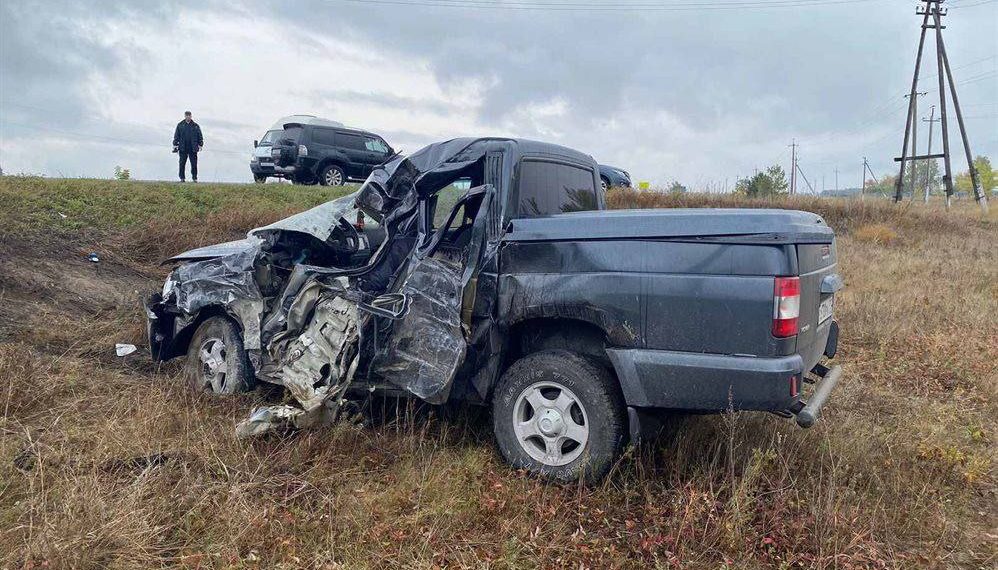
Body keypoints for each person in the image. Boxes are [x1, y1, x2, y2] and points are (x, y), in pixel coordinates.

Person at [173, 111, 203, 182]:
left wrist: (200, 144)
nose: (188, 117)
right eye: (186, 115)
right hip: (183, 147)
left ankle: (194, 178)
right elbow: (176, 136)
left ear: (191, 116)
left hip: (193, 148)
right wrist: (175, 145)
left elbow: (200, 136)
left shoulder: (195, 126)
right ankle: (182, 178)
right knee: (182, 163)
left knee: (194, 164)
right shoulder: (180, 125)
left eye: (189, 115)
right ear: (185, 116)